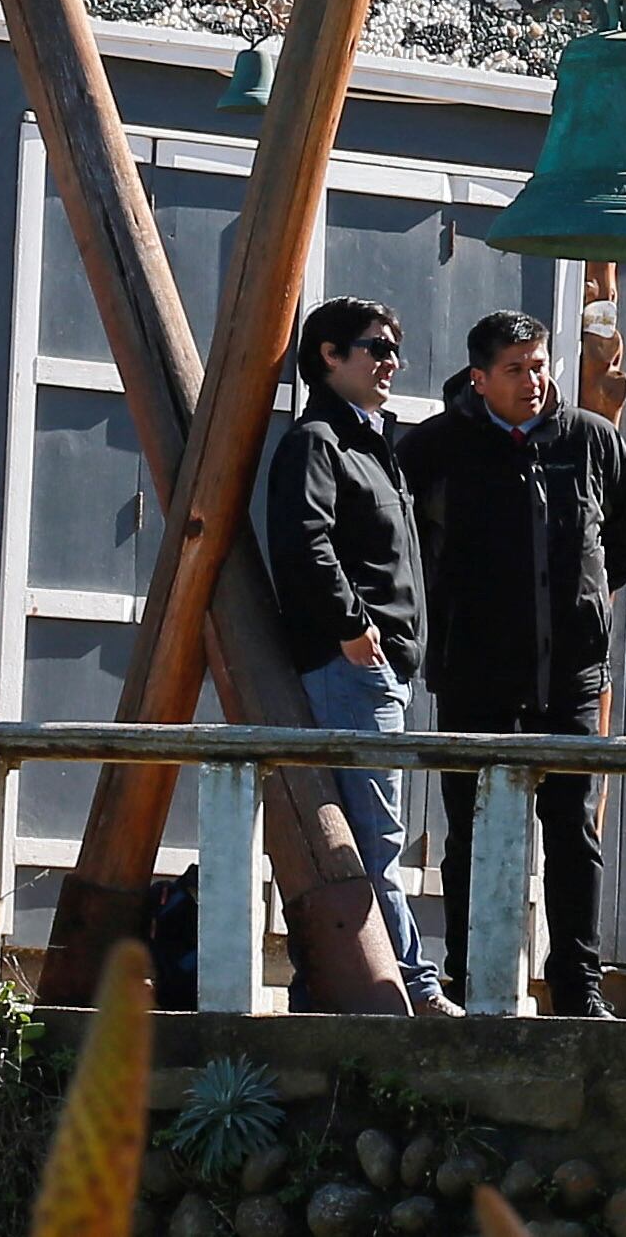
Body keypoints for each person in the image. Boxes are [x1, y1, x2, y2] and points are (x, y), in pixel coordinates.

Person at [398, 309, 626, 1014]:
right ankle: (473, 978)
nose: (532, 380)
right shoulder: (437, 446)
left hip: (567, 675)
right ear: (480, 378)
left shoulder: (590, 439)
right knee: (471, 833)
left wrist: (581, 612)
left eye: (539, 365)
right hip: (473, 674)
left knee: (571, 832)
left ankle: (577, 986)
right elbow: (405, 552)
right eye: (515, 369)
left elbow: (624, 546)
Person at [264, 295, 452, 1016]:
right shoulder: (318, 441)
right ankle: (412, 985)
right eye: (374, 348)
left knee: (361, 830)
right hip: (350, 665)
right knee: (375, 836)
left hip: (381, 664)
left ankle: (328, 986)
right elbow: (304, 542)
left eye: (393, 347)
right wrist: (353, 629)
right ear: (329, 357)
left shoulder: (372, 442)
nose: (390, 362)